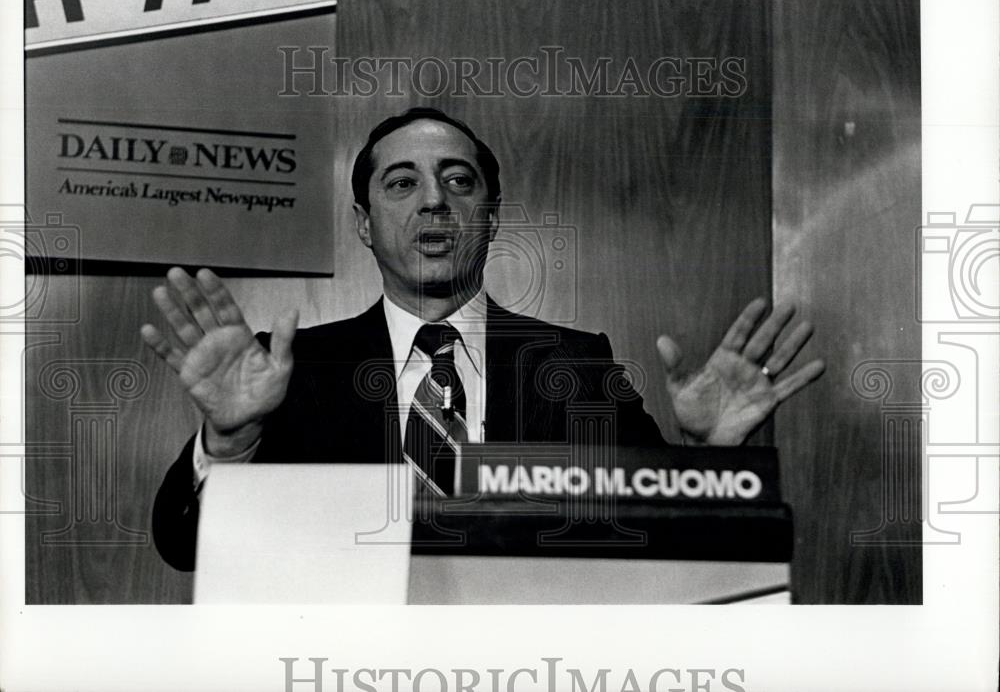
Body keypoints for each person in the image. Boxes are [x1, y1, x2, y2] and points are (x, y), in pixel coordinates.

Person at [144, 107, 825, 571]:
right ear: (363, 223)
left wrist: (703, 458)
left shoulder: (577, 362)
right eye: (402, 182)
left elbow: (662, 536)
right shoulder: (292, 372)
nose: (434, 200)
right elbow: (185, 547)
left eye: (458, 181)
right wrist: (229, 445)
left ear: (490, 218)